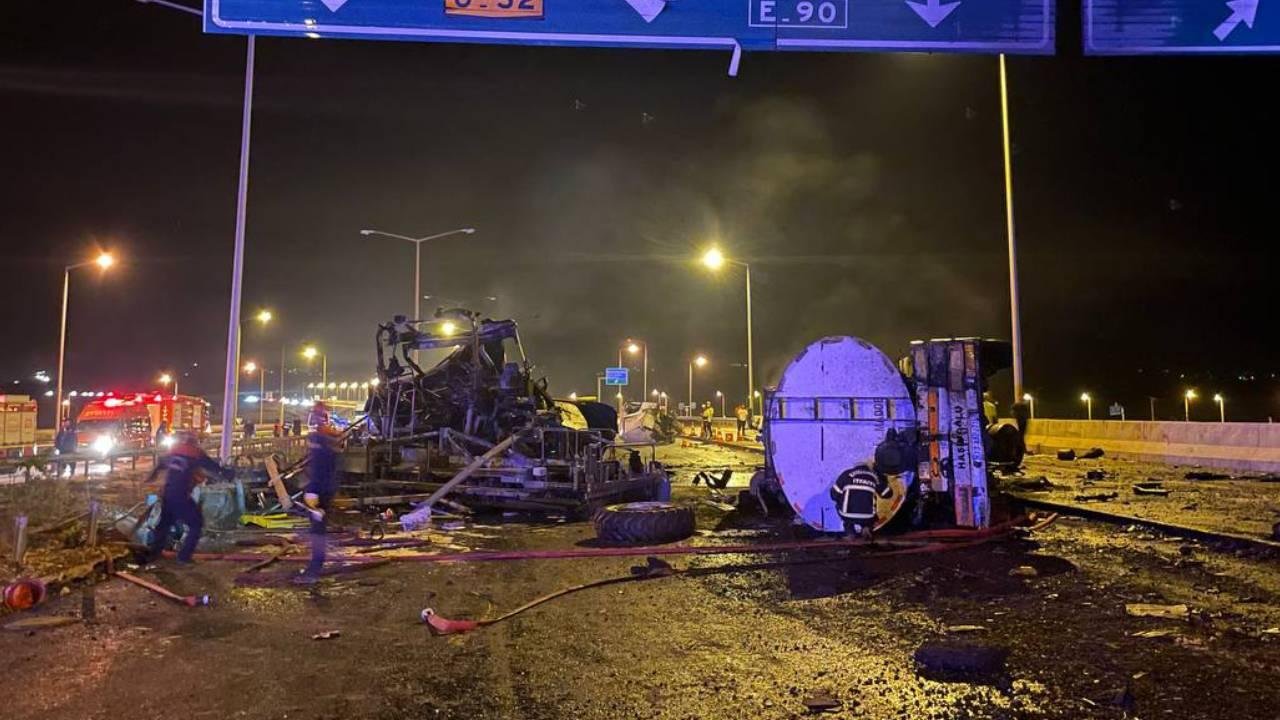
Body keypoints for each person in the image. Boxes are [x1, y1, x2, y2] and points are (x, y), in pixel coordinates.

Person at [146, 431, 229, 565]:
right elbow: (213, 467)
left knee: (164, 525)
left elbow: (160, 464)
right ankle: (183, 557)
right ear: (195, 442)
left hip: (168, 493)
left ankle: (154, 554)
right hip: (181, 495)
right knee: (196, 523)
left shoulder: (173, 450)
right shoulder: (195, 453)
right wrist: (229, 473)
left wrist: (151, 477)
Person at [296, 406, 340, 585]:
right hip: (325, 491)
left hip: (318, 493)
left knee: (317, 531)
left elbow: (318, 472)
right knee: (317, 530)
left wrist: (312, 492)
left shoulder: (320, 446)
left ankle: (314, 571)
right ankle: (315, 566)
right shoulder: (329, 446)